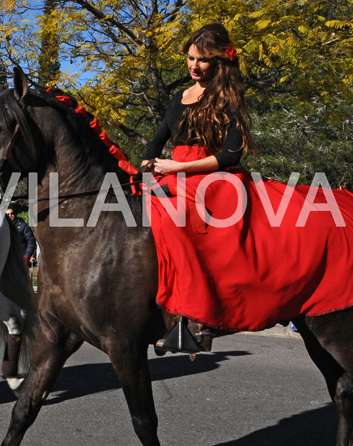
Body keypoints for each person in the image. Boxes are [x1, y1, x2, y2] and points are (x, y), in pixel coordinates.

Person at [142, 23, 353, 353]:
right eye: (189, 58)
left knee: (179, 220)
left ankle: (192, 319)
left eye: (202, 60)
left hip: (214, 177)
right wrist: (147, 163)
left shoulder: (227, 97)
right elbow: (157, 139)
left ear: (219, 63)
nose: (194, 66)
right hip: (173, 172)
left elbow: (230, 154)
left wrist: (179, 166)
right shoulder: (179, 97)